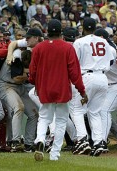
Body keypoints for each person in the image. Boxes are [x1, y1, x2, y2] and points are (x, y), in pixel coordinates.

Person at [29, 19, 86, 161]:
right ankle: (54, 154)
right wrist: (82, 91)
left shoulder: (38, 48)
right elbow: (75, 73)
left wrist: (36, 84)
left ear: (47, 32)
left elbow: (32, 72)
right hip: (62, 89)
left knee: (43, 118)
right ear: (61, 32)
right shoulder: (67, 47)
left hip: (45, 88)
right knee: (61, 121)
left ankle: (40, 139)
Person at [71, 18, 113, 157]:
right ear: (95, 28)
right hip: (103, 78)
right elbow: (110, 61)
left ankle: (82, 139)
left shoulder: (79, 42)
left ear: (83, 28)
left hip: (87, 77)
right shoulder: (104, 41)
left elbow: (74, 63)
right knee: (94, 112)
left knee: (77, 110)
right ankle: (99, 141)